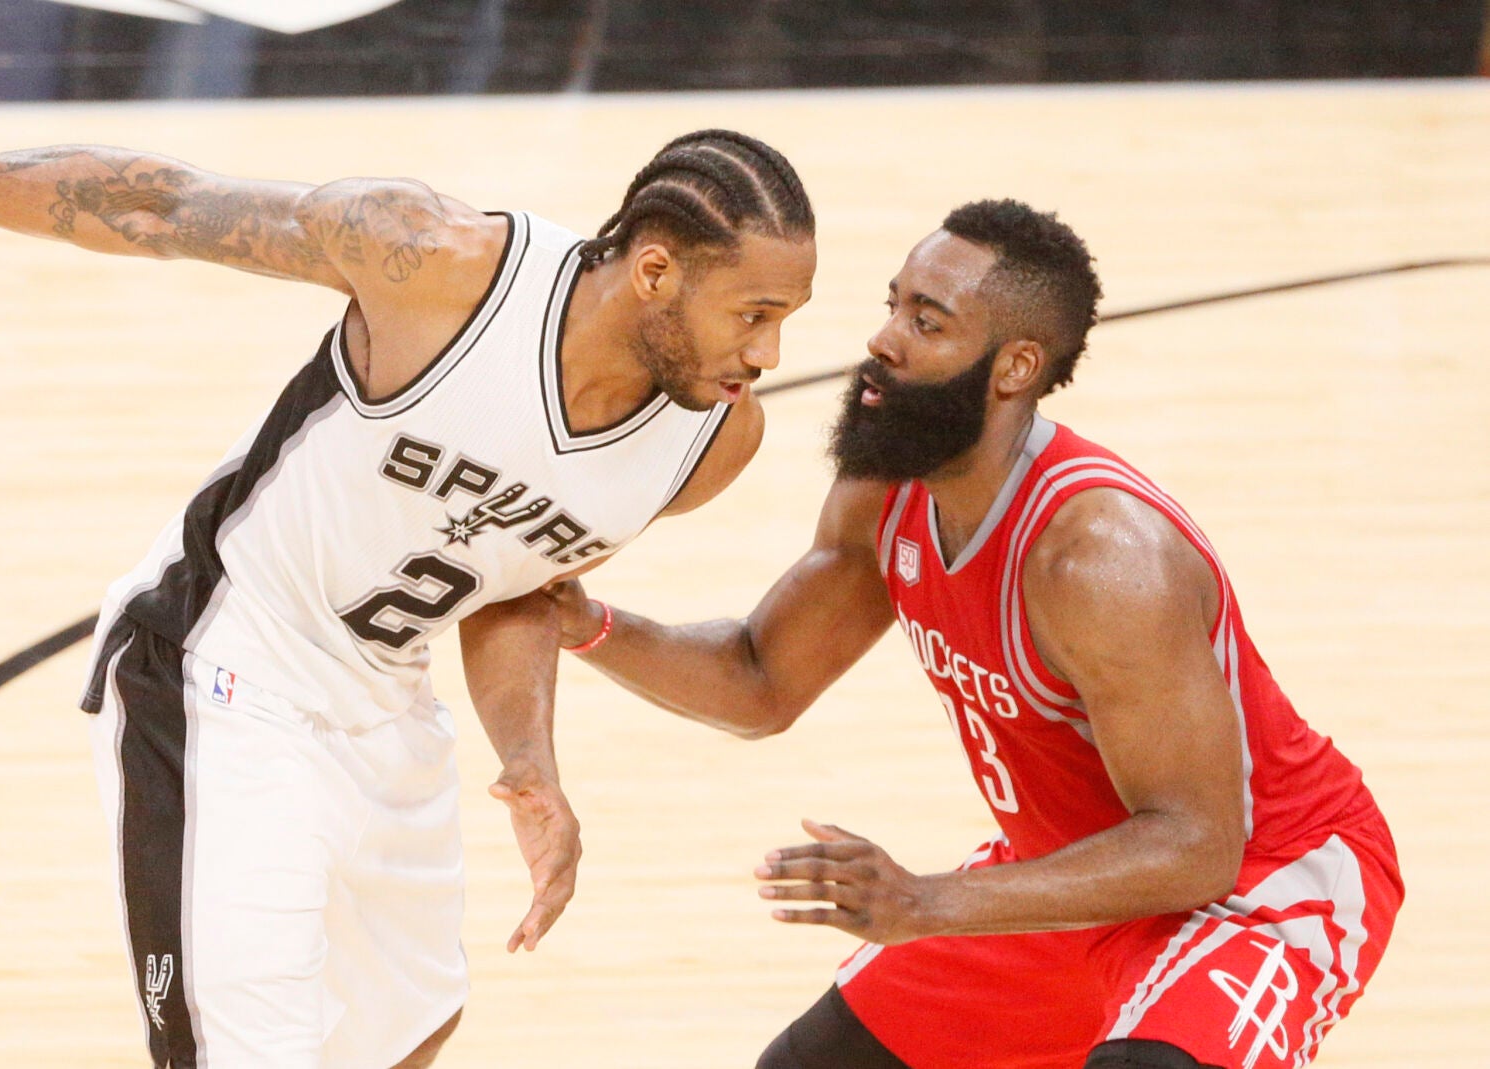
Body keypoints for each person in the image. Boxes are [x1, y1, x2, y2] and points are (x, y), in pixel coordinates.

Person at [0, 100, 816, 1068]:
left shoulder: (709, 440)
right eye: (752, 314)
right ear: (656, 272)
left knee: (410, 1033)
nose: (763, 353)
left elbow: (518, 584)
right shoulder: (437, 264)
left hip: (384, 703)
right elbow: (156, 203)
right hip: (224, 663)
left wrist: (529, 760)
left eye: (783, 324)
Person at [544, 200, 1401, 1069]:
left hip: (1257, 882)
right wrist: (587, 625)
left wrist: (924, 901)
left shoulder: (1099, 561)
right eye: (892, 304)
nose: (883, 339)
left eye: (927, 321)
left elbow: (1196, 843)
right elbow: (759, 678)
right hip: (1071, 872)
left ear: (1014, 366)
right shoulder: (886, 487)